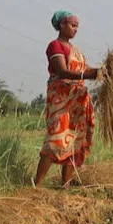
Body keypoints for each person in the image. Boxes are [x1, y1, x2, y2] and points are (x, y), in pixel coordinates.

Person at [34, 11, 99, 188]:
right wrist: (88, 75)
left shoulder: (76, 51)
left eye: (77, 26)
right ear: (61, 25)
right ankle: (36, 186)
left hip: (77, 101)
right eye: (72, 25)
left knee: (75, 141)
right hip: (61, 99)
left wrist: (103, 71)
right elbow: (62, 71)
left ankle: (66, 185)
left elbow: (87, 70)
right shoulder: (55, 46)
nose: (75, 29)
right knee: (55, 139)